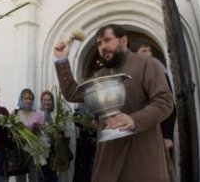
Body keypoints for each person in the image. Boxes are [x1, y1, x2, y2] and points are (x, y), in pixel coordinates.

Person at [53, 24, 174, 181]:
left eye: (107, 40)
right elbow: (72, 93)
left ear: (123, 40)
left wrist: (134, 120)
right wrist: (62, 60)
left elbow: (165, 102)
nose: (103, 47)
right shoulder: (101, 75)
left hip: (143, 150)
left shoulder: (145, 63)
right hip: (108, 155)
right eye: (99, 44)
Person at [131, 42, 177, 154]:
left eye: (149, 50)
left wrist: (167, 136)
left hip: (158, 131)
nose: (148, 54)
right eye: (144, 51)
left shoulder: (160, 72)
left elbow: (168, 104)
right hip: (137, 133)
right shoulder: (130, 76)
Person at [14, 88, 44, 182]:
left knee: (34, 176)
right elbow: (11, 133)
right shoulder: (15, 114)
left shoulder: (38, 114)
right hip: (19, 150)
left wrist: (36, 133)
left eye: (31, 99)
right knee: (20, 177)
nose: (29, 101)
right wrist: (19, 137)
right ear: (21, 99)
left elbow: (41, 131)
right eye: (26, 98)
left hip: (33, 150)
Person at [38, 91, 58, 182]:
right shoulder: (37, 114)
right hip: (41, 150)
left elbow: (61, 129)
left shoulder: (55, 114)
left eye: (49, 100)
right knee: (42, 175)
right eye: (44, 100)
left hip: (54, 150)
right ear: (41, 101)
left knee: (53, 176)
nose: (47, 102)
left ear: (52, 101)